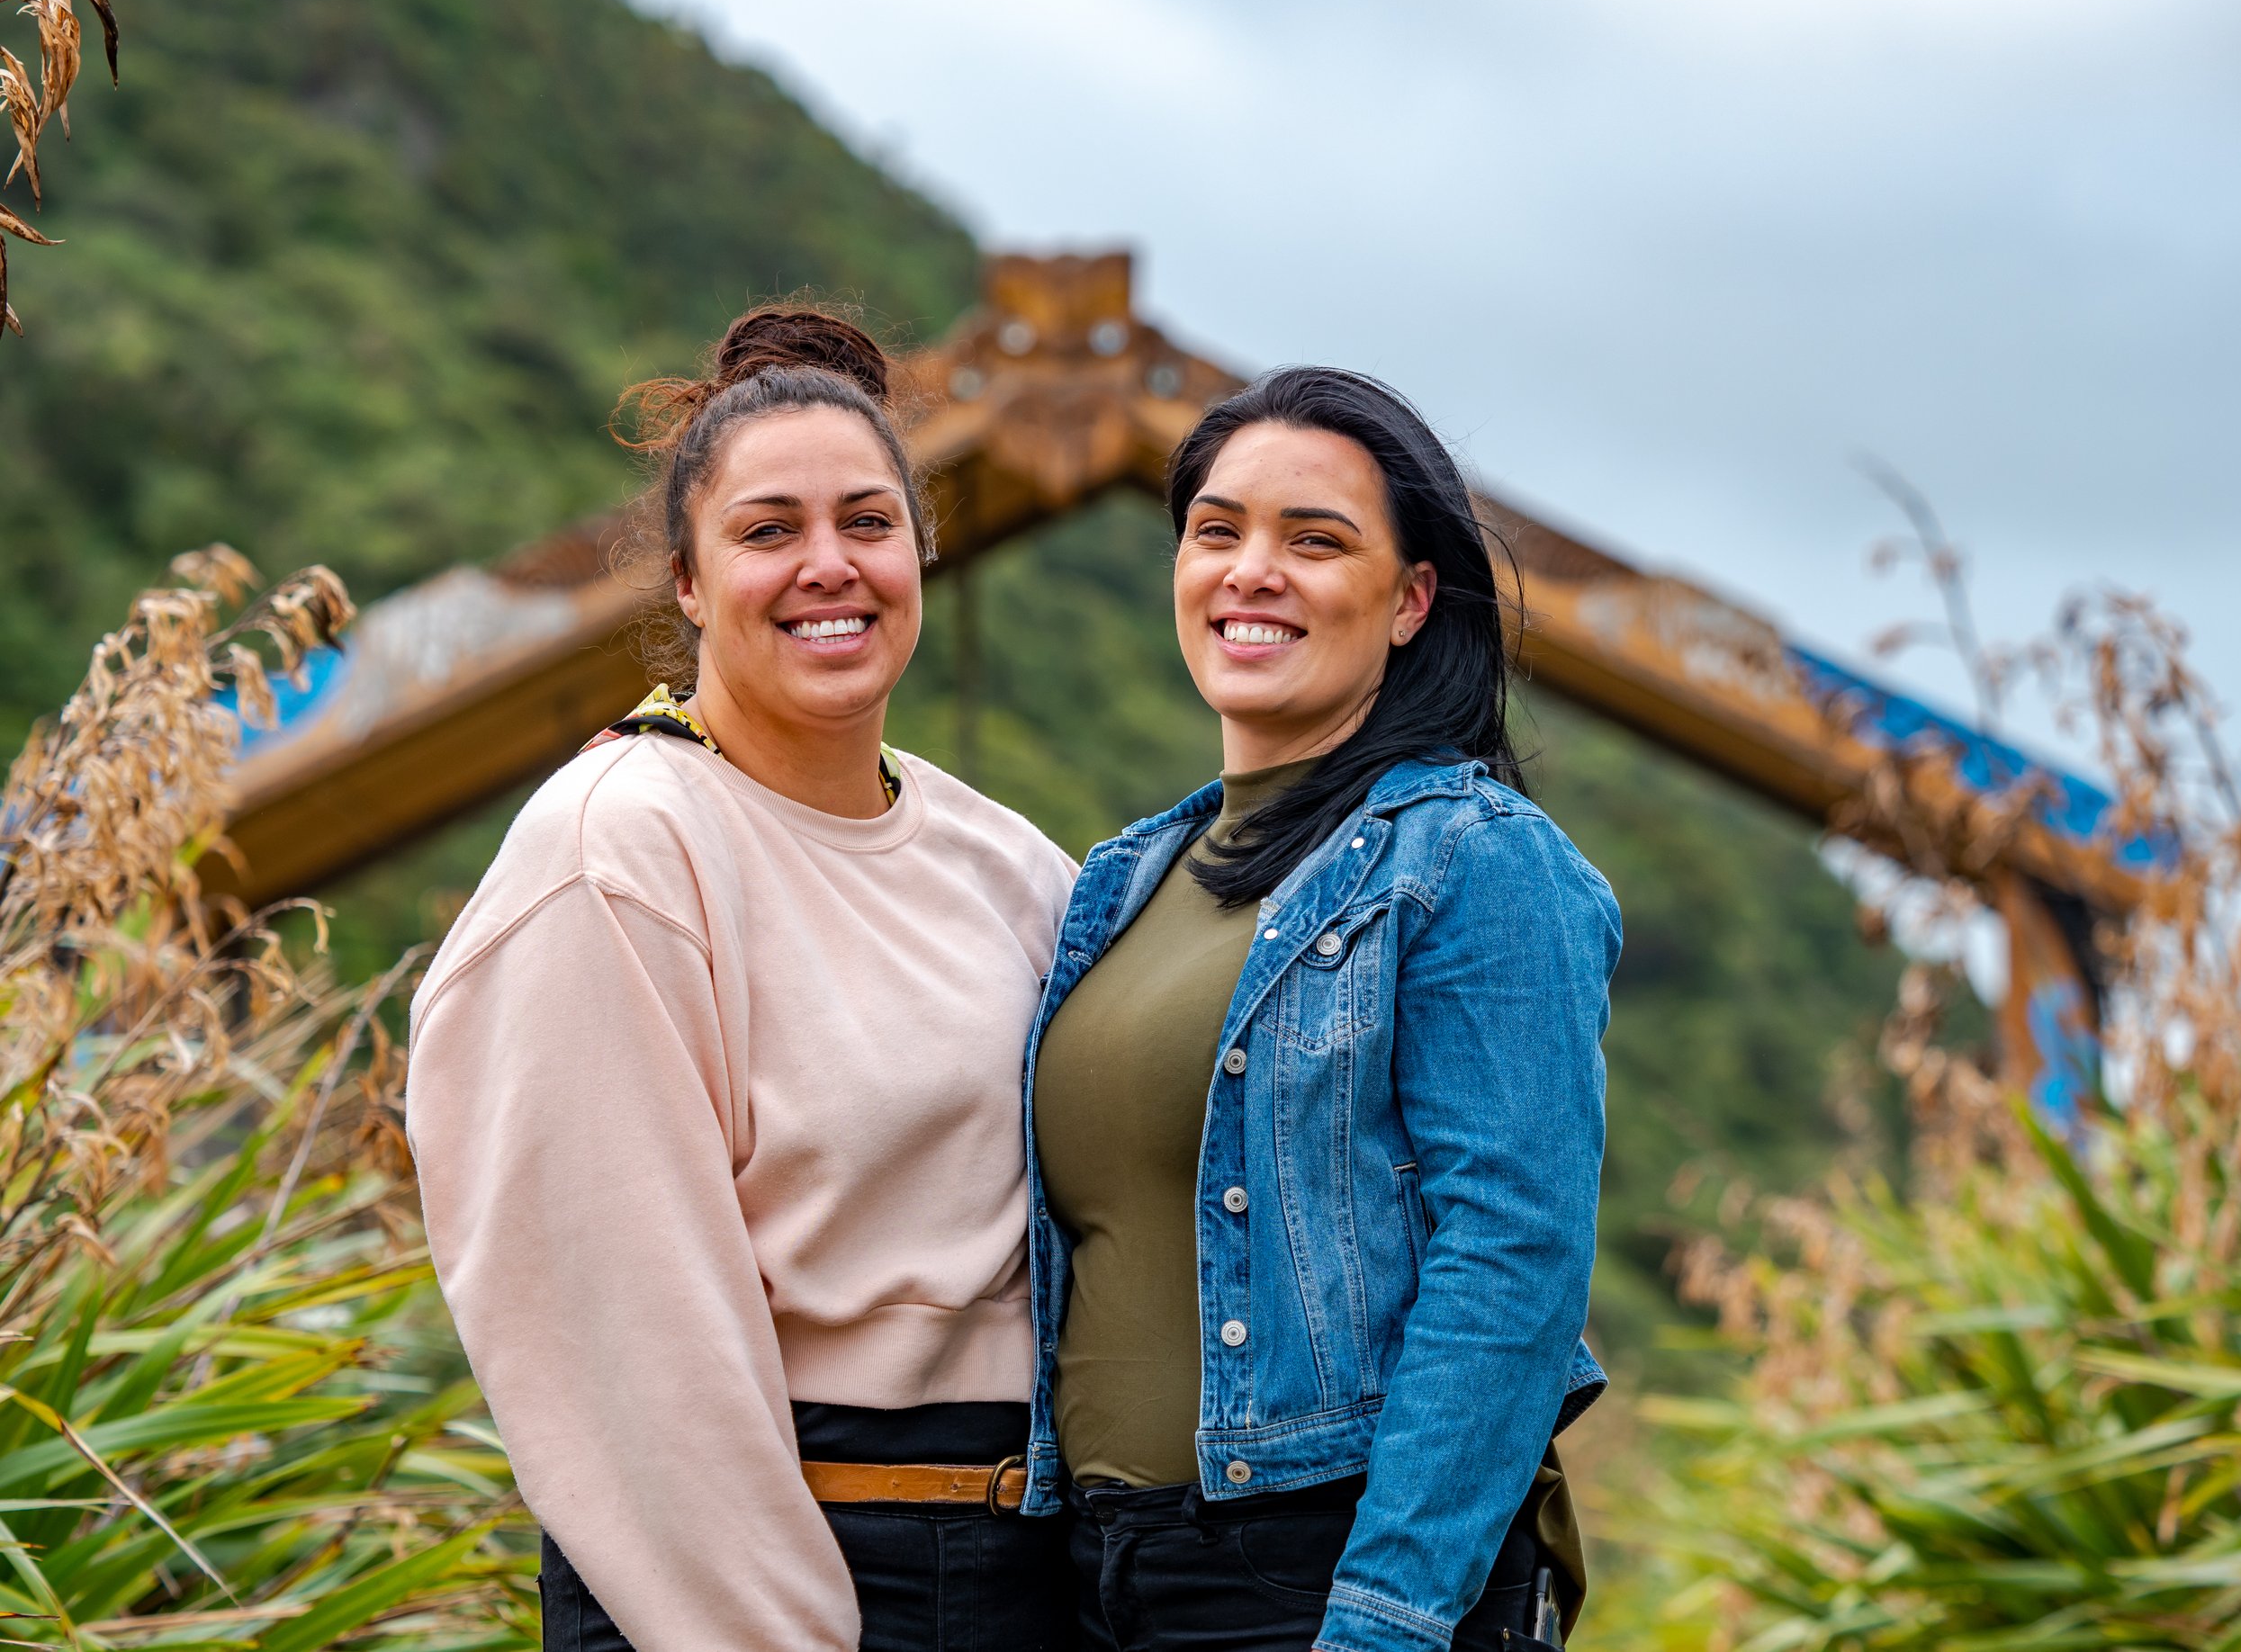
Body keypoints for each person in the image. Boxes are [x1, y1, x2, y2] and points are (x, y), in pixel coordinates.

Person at [405, 309, 1080, 1651]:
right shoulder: (618, 849)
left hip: (1023, 1572)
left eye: (868, 522)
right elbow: (623, 1333)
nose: (829, 565)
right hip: (760, 1572)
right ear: (687, 582)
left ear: (921, 550)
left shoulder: (1008, 865)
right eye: (769, 530)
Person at [1024, 367, 1622, 1651]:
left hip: (1319, 1577)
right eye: (1217, 530)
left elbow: (1512, 1261)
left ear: (1411, 601)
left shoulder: (1476, 859)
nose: (1251, 571)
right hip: (1093, 1578)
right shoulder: (1125, 880)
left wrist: (1386, 1617)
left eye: (1315, 541)